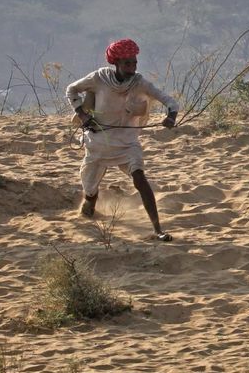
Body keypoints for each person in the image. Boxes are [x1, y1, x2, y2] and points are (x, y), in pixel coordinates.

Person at [66, 38, 179, 241]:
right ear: (116, 63)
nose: (132, 67)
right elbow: (71, 89)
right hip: (98, 142)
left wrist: (171, 116)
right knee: (90, 191)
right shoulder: (99, 78)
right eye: (127, 63)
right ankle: (90, 204)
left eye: (134, 62)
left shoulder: (139, 83)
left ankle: (157, 229)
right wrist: (83, 115)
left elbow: (169, 101)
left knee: (140, 180)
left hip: (128, 143)